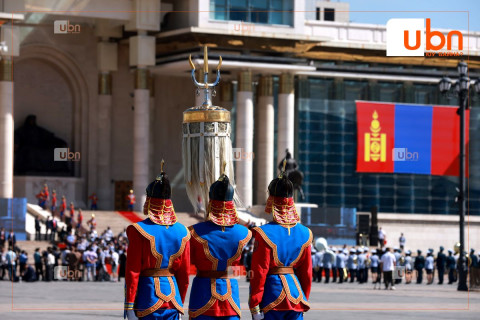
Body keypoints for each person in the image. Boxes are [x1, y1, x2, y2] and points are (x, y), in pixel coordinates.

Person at [125, 168, 190, 320]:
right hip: (173, 299)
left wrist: (129, 306)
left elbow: (132, 272)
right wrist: (179, 303)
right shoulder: (183, 232)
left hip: (147, 298)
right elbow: (184, 275)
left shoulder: (138, 230)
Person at [249, 168, 312, 320]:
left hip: (272, 296)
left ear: (272, 199)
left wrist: (255, 305)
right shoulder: (305, 233)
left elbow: (259, 271)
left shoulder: (264, 233)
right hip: (296, 296)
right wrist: (303, 297)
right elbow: (307, 273)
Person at [188, 173, 250, 320]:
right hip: (230, 295)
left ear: (210, 200)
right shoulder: (244, 232)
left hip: (202, 295)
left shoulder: (194, 232)